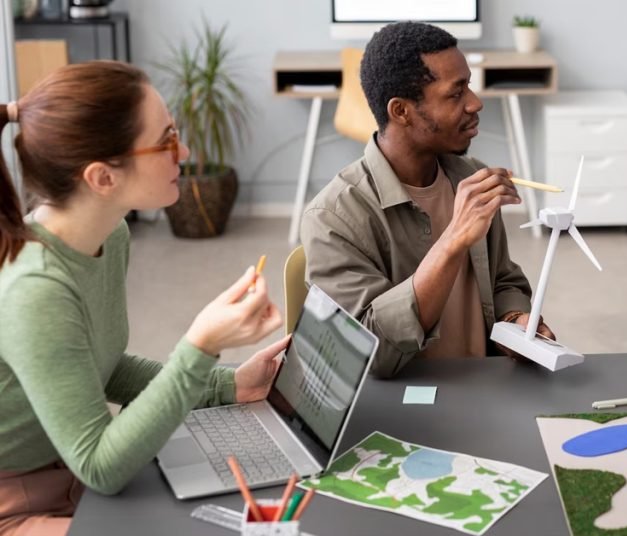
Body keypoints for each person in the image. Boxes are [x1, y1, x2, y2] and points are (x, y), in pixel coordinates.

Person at [0, 61, 284, 535]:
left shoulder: (110, 237)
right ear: (102, 178)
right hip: (16, 500)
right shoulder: (35, 290)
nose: (185, 151)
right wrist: (200, 347)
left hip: (64, 468)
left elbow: (103, 366)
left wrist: (227, 385)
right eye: (167, 140)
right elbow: (100, 466)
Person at [301, 22, 553, 378]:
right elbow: (369, 354)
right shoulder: (333, 218)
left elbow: (502, 280)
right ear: (401, 111)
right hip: (401, 407)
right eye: (456, 93)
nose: (475, 103)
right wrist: (453, 239)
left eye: (470, 85)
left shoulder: (471, 179)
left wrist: (515, 320)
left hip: (486, 390)